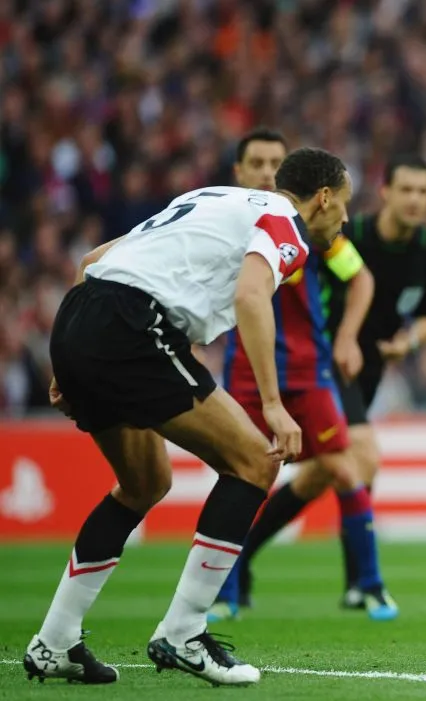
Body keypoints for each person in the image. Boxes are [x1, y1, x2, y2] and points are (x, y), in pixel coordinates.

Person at [23, 147, 351, 687]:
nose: (344, 218)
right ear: (322, 198)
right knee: (255, 461)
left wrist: (68, 362)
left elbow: (92, 260)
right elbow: (251, 297)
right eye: (343, 204)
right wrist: (272, 405)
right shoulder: (285, 224)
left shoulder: (211, 197)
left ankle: (54, 641)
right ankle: (184, 633)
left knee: (144, 482)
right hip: (132, 326)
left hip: (80, 317)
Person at [228, 153, 426, 611]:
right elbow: (350, 279)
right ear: (385, 193)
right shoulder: (348, 233)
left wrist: (408, 342)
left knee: (319, 476)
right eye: (406, 189)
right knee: (362, 457)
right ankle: (360, 583)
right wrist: (346, 337)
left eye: (423, 191)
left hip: (369, 370)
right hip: (328, 362)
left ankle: (242, 554)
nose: (415, 200)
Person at [207, 128, 397, 623]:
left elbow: (361, 279)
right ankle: (227, 590)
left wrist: (347, 336)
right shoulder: (232, 223)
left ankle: (369, 586)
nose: (267, 171)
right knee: (241, 476)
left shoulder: (312, 231)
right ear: (239, 172)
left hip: (309, 369)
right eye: (257, 163)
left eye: (276, 162)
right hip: (248, 371)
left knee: (344, 467)